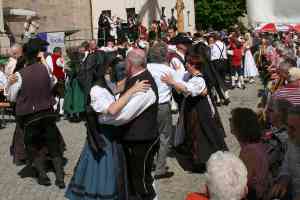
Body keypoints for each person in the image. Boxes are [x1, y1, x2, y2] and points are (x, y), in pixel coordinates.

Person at [65, 59, 155, 200]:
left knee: (113, 169)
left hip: (111, 135)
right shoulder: (96, 90)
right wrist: (132, 90)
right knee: (103, 171)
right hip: (103, 137)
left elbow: (116, 88)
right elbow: (112, 109)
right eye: (109, 68)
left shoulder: (104, 85)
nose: (112, 71)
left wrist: (132, 79)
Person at [8, 38, 66, 188]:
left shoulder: (20, 74)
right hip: (48, 113)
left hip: (31, 116)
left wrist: (10, 84)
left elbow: (12, 97)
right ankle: (60, 178)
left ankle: (42, 175)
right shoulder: (45, 69)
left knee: (32, 145)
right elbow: (52, 82)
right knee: (53, 144)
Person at [162, 45, 228, 173]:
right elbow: (183, 82)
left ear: (193, 65)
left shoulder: (199, 80)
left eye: (188, 63)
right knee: (195, 135)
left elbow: (187, 89)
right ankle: (200, 160)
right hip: (194, 111)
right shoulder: (191, 77)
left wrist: (172, 82)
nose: (186, 65)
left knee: (202, 135)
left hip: (200, 112)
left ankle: (207, 161)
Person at [121, 49, 159, 200]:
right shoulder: (135, 78)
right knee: (138, 177)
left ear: (129, 64)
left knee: (141, 180)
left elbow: (123, 115)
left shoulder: (144, 83)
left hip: (142, 139)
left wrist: (105, 116)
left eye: (125, 62)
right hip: (138, 136)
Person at [147, 41, 181, 179]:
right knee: (165, 136)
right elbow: (180, 86)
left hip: (147, 105)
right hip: (162, 105)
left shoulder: (146, 68)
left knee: (150, 135)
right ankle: (160, 168)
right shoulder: (168, 71)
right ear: (164, 56)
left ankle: (151, 162)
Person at [230, 108, 270, 200]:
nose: (229, 120)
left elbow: (243, 182)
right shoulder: (255, 145)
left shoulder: (249, 152)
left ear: (240, 125)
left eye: (231, 119)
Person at [271, 105, 300, 200]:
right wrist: (283, 180)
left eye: (293, 128)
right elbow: (287, 164)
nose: (288, 132)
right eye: (288, 126)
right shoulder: (292, 142)